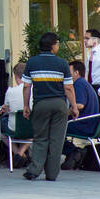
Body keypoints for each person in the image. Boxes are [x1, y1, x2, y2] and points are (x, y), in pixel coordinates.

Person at [21, 31, 76, 181]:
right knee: (56, 140)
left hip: (40, 104)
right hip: (59, 104)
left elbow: (26, 86)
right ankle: (52, 174)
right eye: (57, 43)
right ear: (53, 46)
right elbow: (69, 88)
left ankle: (34, 169)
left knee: (40, 137)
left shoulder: (32, 62)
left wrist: (26, 105)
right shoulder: (62, 63)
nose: (58, 45)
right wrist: (74, 106)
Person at [0, 62, 31, 162]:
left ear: (16, 76)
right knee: (31, 135)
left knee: (2, 133)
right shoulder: (35, 90)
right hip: (31, 127)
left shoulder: (10, 91)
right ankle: (21, 154)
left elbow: (6, 109)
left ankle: (17, 153)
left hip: (14, 127)